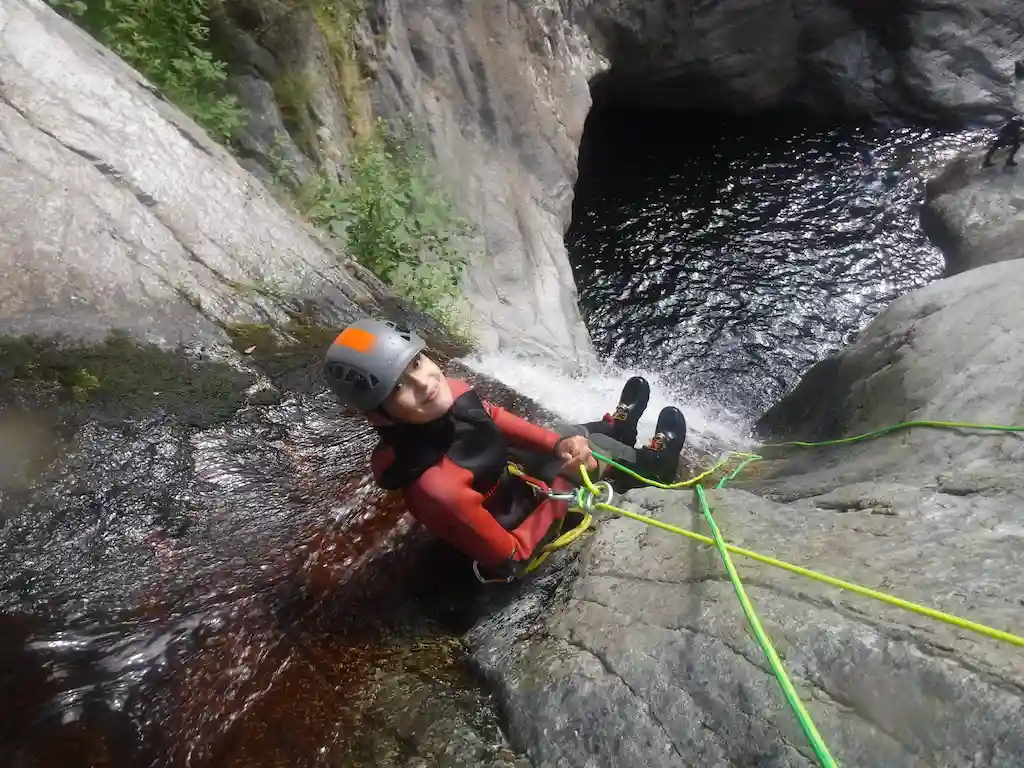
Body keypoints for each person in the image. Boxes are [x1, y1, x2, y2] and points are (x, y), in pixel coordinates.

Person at [323, 318, 687, 580]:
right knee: (593, 463)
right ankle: (655, 466)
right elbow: (512, 556)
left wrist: (559, 445)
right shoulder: (436, 488)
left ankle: (617, 430)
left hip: (516, 488)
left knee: (574, 436)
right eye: (399, 387)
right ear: (380, 416)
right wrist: (564, 484)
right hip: (520, 530)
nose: (425, 383)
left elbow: (490, 416)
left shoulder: (451, 393)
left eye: (416, 362)